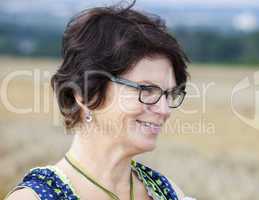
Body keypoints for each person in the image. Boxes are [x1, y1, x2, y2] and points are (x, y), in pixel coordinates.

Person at [5, 0, 195, 199]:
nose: (164, 110)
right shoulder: (37, 197)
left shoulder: (167, 192)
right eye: (146, 90)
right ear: (86, 93)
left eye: (168, 94)